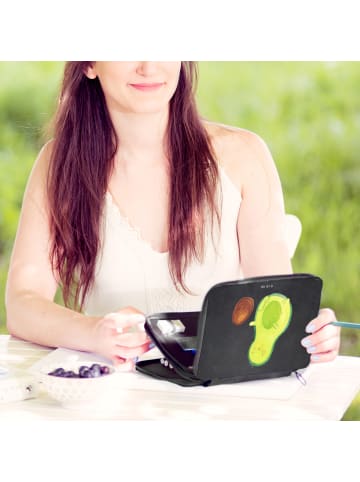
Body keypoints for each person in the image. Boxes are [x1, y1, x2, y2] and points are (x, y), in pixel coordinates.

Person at [5, 61, 340, 368]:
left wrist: (312, 332)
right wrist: (93, 332)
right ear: (89, 64)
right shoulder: (61, 164)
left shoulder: (243, 157)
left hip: (223, 396)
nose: (149, 66)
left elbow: (278, 303)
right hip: (112, 394)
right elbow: (22, 304)